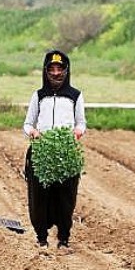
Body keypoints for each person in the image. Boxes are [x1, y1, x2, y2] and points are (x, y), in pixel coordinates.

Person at [23, 50, 86, 250]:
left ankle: (63, 238)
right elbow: (27, 124)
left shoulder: (75, 96)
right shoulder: (39, 95)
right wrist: (33, 132)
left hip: (65, 153)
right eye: (52, 69)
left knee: (65, 197)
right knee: (39, 196)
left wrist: (77, 132)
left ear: (66, 71)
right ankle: (41, 237)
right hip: (42, 152)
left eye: (60, 69)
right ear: (46, 71)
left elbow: (81, 123)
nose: (56, 73)